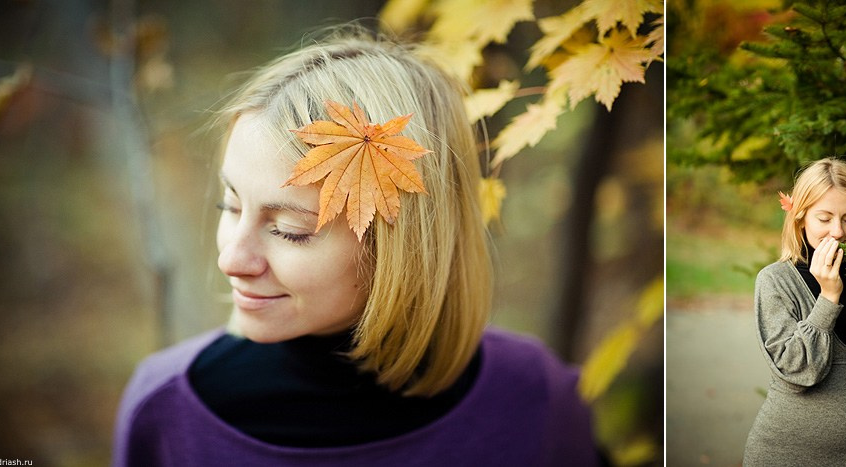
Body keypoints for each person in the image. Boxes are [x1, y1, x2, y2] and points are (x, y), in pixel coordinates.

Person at [112, 29, 601, 467]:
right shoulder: (167, 409)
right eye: (230, 206)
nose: (231, 260)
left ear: (404, 246)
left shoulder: (535, 398)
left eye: (288, 229)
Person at [743, 158, 846, 466]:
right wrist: (828, 298)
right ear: (800, 217)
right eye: (824, 218)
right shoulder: (774, 281)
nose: (838, 231)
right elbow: (798, 372)